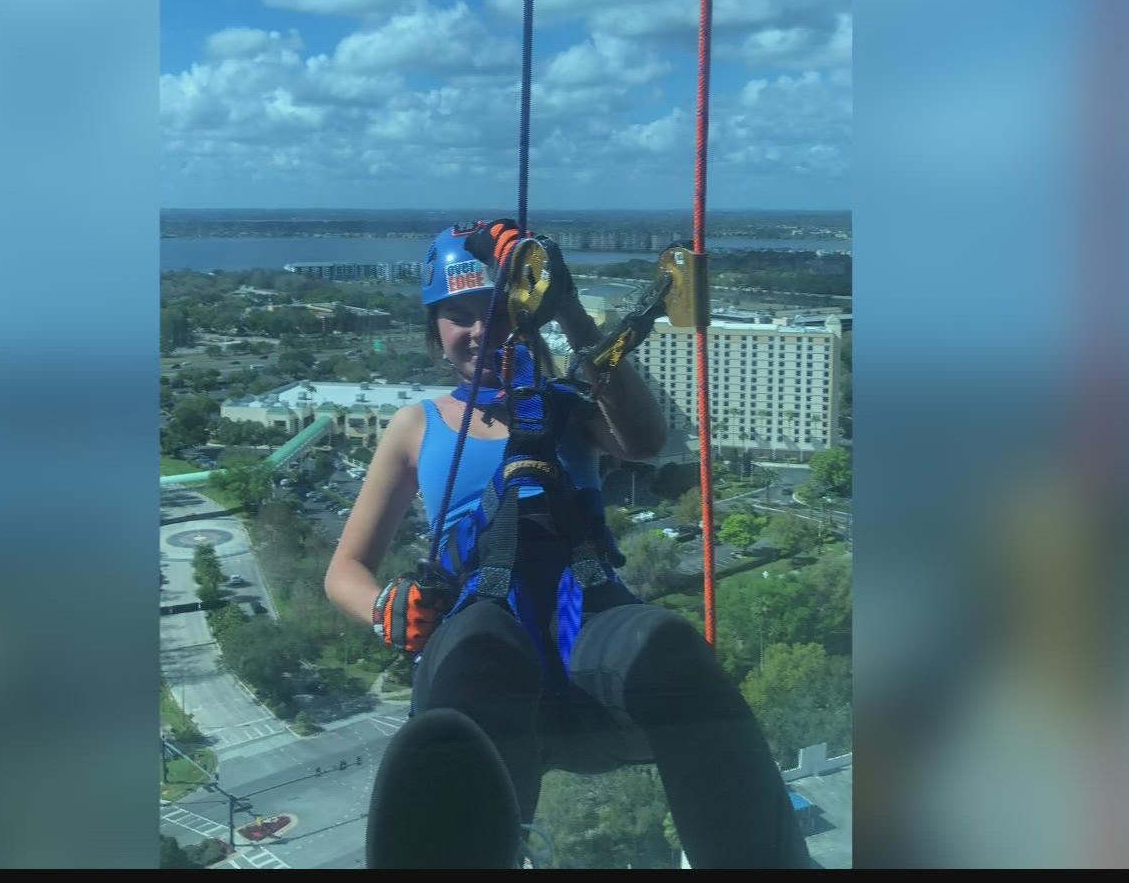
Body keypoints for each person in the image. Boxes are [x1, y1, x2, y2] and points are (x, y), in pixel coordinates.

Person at [325, 219, 812, 869]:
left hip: (587, 631)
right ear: (435, 331)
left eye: (498, 311)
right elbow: (344, 569)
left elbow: (644, 441)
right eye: (459, 316)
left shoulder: (573, 400)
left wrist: (573, 314)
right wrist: (385, 604)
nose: (479, 330)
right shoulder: (417, 426)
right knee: (478, 657)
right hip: (481, 645)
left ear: (526, 318)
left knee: (668, 648)